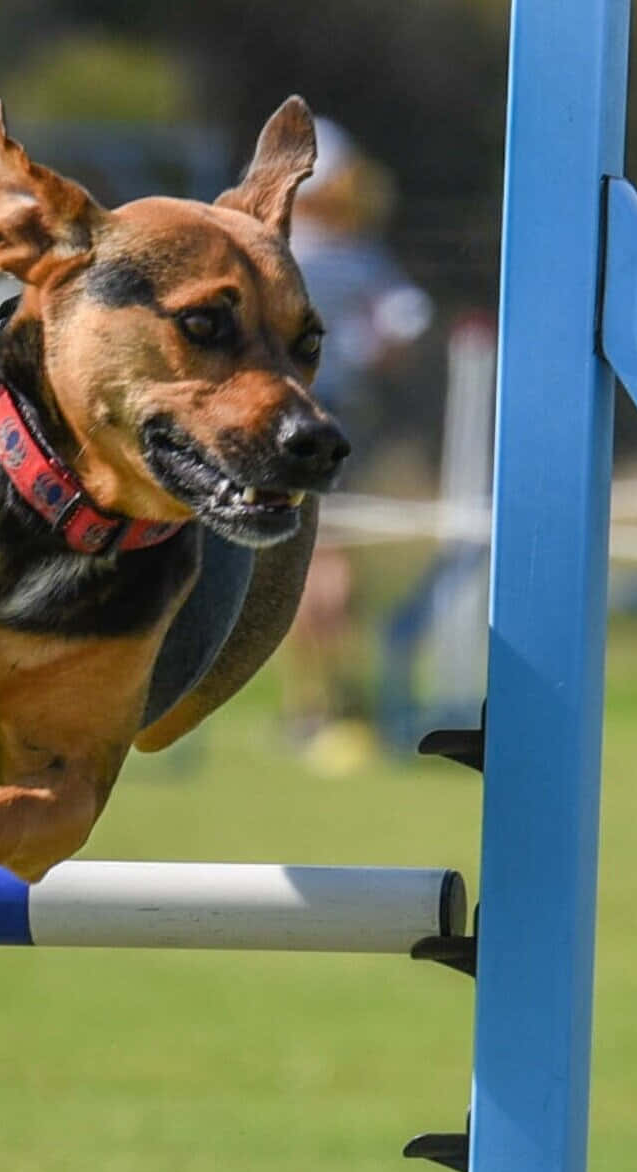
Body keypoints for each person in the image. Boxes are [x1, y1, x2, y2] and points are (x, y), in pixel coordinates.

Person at [279, 118, 432, 761]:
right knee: (329, 561)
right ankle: (334, 703)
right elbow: (405, 326)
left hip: (282, 415)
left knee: (307, 562)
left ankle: (324, 706)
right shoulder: (358, 254)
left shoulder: (282, 249)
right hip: (340, 413)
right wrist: (367, 353)